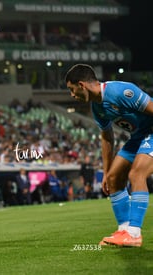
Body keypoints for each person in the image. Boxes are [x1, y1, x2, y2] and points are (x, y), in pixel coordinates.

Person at [65, 64, 153, 247]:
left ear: (81, 85)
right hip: (138, 137)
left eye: (71, 90)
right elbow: (107, 138)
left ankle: (134, 234)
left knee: (137, 174)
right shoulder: (97, 108)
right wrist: (106, 172)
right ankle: (124, 231)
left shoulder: (121, 91)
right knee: (113, 179)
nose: (72, 95)